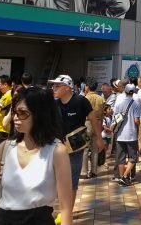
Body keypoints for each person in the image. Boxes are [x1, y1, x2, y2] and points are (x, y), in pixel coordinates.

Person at [0, 87, 73, 225]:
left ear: (40, 114)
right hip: (3, 220)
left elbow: (66, 208)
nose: (15, 117)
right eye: (14, 112)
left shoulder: (57, 151)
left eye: (22, 113)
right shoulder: (6, 147)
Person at [51, 74, 105, 214]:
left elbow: (93, 118)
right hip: (56, 148)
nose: (54, 88)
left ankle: (67, 213)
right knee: (56, 180)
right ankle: (61, 208)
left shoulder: (81, 101)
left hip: (75, 148)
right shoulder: (54, 104)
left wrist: (100, 138)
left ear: (67, 87)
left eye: (57, 86)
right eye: (53, 85)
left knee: (71, 182)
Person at [114, 84, 141, 186]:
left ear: (125, 91)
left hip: (120, 134)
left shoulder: (118, 103)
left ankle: (121, 177)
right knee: (133, 157)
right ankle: (125, 176)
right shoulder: (136, 104)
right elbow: (136, 120)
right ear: (133, 92)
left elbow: (114, 119)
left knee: (121, 158)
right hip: (131, 134)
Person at [82, 77, 105, 179]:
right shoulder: (101, 98)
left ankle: (84, 171)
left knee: (85, 148)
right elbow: (103, 114)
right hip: (98, 123)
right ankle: (94, 171)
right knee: (95, 148)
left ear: (87, 86)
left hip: (87, 123)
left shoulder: (85, 98)